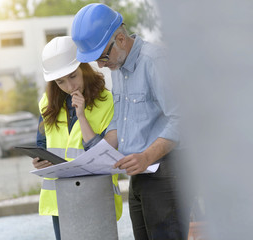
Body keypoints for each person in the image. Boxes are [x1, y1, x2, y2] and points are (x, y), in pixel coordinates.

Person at [71, 3, 190, 240]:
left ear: (121, 39)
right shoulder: (119, 67)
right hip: (139, 174)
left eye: (103, 57)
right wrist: (99, 153)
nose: (101, 66)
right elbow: (120, 121)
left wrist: (147, 156)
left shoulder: (155, 61)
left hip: (165, 172)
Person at [32, 36, 122, 240]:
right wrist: (40, 161)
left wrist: (81, 115)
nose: (68, 85)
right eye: (60, 81)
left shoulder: (107, 102)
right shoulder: (48, 102)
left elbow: (103, 155)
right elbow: (41, 144)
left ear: (84, 68)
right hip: (59, 198)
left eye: (72, 76)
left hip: (95, 196)